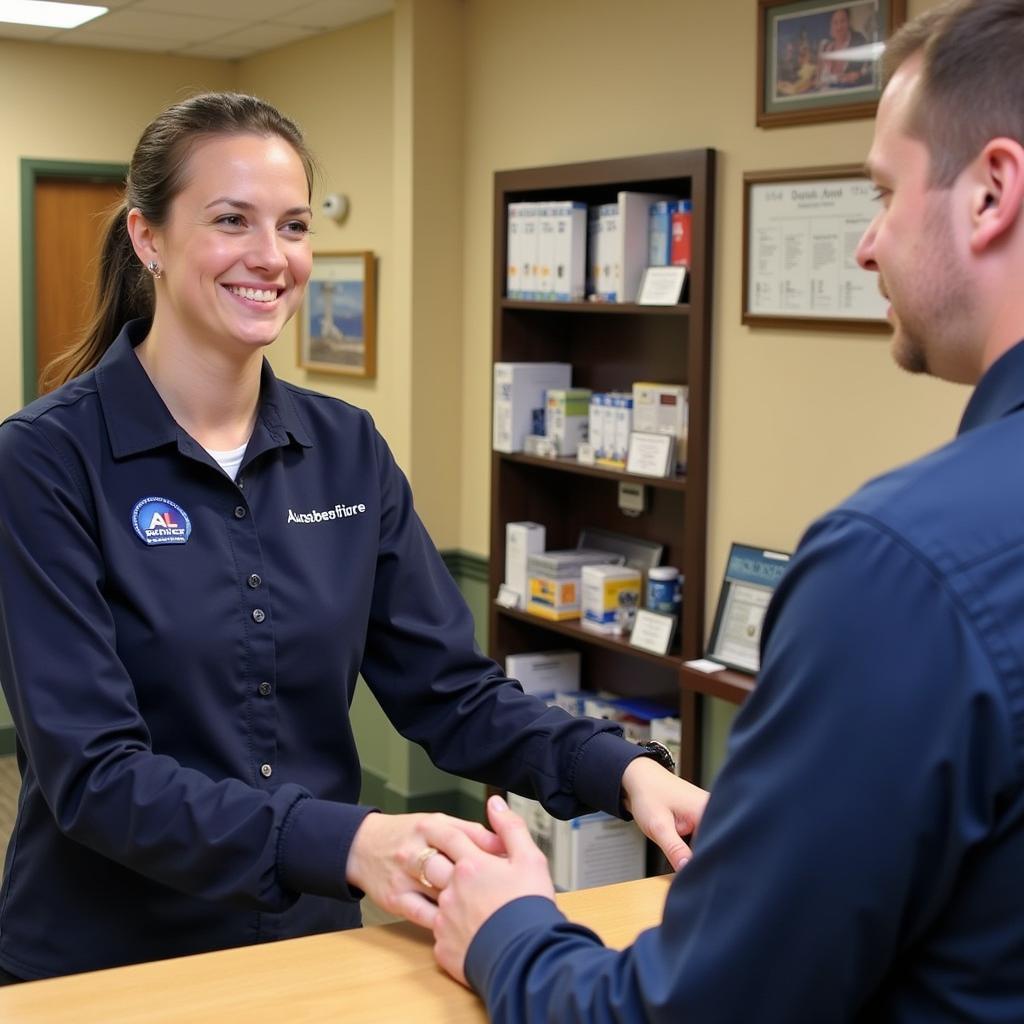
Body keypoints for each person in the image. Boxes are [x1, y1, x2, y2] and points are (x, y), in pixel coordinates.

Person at [0, 92, 707, 982]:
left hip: (312, 947)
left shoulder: (344, 449)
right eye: (231, 221)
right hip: (106, 964)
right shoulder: (44, 460)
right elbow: (93, 775)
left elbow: (451, 692)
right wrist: (352, 839)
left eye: (292, 226)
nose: (271, 257)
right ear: (149, 239)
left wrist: (622, 770)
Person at [422, 1, 1024, 1020]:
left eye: (881, 193)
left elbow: (694, 1008)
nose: (865, 247)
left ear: (990, 194)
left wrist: (509, 928)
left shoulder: (901, 568)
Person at [816, 6, 871, 89]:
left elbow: (861, 74)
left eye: (843, 21)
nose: (839, 27)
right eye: (835, 22)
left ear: (849, 23)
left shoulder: (858, 41)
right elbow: (818, 80)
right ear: (831, 26)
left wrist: (858, 75)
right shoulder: (824, 46)